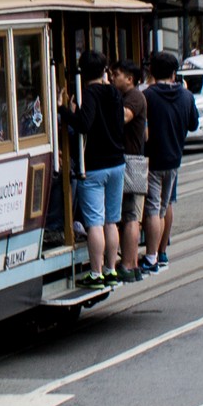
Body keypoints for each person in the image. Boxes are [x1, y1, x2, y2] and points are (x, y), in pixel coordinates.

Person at [58, 50, 126, 289]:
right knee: (111, 220)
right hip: (118, 163)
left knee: (95, 222)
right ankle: (111, 269)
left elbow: (84, 124)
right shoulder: (115, 93)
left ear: (83, 73)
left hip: (95, 166)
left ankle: (96, 274)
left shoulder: (90, 93)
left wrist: (64, 110)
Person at [141, 51, 199, 275]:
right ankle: (162, 252)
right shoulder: (186, 96)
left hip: (152, 161)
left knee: (153, 210)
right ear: (174, 73)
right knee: (164, 207)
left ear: (152, 72)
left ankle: (151, 257)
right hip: (174, 160)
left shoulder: (148, 96)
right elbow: (193, 124)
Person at [110, 58, 147, 283]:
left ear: (130, 79)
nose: (113, 78)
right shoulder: (130, 96)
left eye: (117, 75)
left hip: (131, 160)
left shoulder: (134, 97)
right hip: (131, 159)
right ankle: (131, 264)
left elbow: (123, 117)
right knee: (127, 215)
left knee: (131, 215)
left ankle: (128, 264)